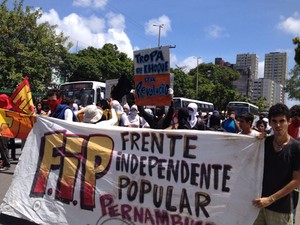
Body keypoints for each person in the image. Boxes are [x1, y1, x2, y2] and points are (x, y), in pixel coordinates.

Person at [252, 103, 300, 225]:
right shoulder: (263, 143)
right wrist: (254, 140)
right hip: (257, 205)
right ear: (270, 123)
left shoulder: (296, 148)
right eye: (274, 121)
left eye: (282, 121)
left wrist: (271, 199)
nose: (278, 125)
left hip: (280, 209)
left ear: (289, 121)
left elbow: (296, 180)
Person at [0, 94, 13, 171]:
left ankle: (7, 164)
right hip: (2, 129)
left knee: (3, 147)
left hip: (4, 130)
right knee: (2, 147)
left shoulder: (9, 109)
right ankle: (4, 162)